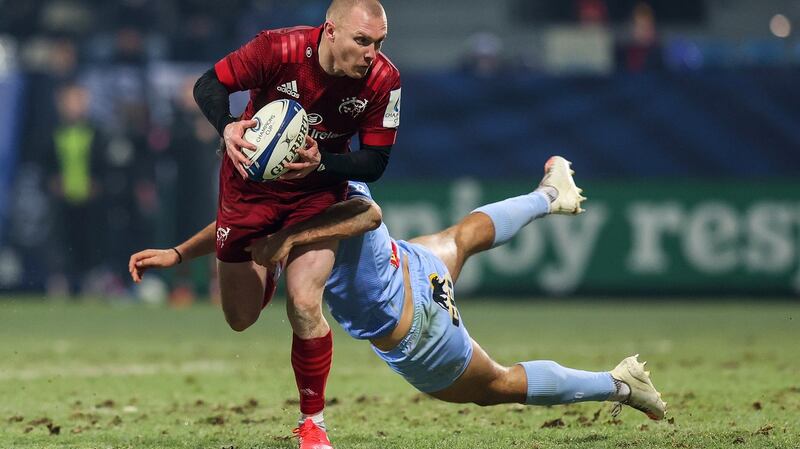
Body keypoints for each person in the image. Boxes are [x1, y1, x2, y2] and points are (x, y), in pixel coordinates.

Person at [130, 157, 667, 439]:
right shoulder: (320, 169)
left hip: (414, 329)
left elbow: (355, 222)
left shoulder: (328, 189)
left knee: (498, 384)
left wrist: (286, 243)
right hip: (408, 265)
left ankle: (619, 383)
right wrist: (180, 253)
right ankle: (549, 195)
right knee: (460, 238)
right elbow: (237, 227)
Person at [190, 0, 400, 447]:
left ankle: (313, 423)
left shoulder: (384, 80)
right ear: (330, 31)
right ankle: (267, 268)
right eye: (362, 41)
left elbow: (376, 162)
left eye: (379, 43)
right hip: (249, 188)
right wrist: (227, 126)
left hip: (317, 195)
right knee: (240, 317)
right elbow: (208, 84)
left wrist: (322, 163)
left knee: (305, 302)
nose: (372, 54)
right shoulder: (276, 49)